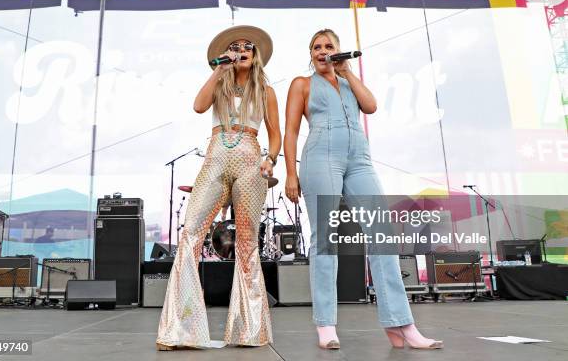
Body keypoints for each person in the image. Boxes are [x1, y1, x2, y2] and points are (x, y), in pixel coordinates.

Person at [283, 29, 443, 350]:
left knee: (383, 234)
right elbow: (290, 131)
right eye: (317, 47)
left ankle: (401, 324)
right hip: (320, 156)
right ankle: (326, 324)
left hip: (359, 157)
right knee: (326, 238)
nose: (323, 51)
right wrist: (289, 173)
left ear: (339, 51)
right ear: (310, 53)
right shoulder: (302, 84)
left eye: (329, 46)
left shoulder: (347, 82)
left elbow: (370, 106)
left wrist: (347, 72)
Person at [156, 25, 281, 350]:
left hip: (251, 160)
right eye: (235, 47)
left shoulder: (265, 91)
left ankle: (250, 330)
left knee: (247, 244)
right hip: (216, 156)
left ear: (255, 57)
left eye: (247, 47)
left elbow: (276, 133)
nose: (240, 51)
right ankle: (179, 330)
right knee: (191, 234)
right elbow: (198, 106)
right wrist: (219, 69)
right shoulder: (220, 85)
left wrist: (272, 159)